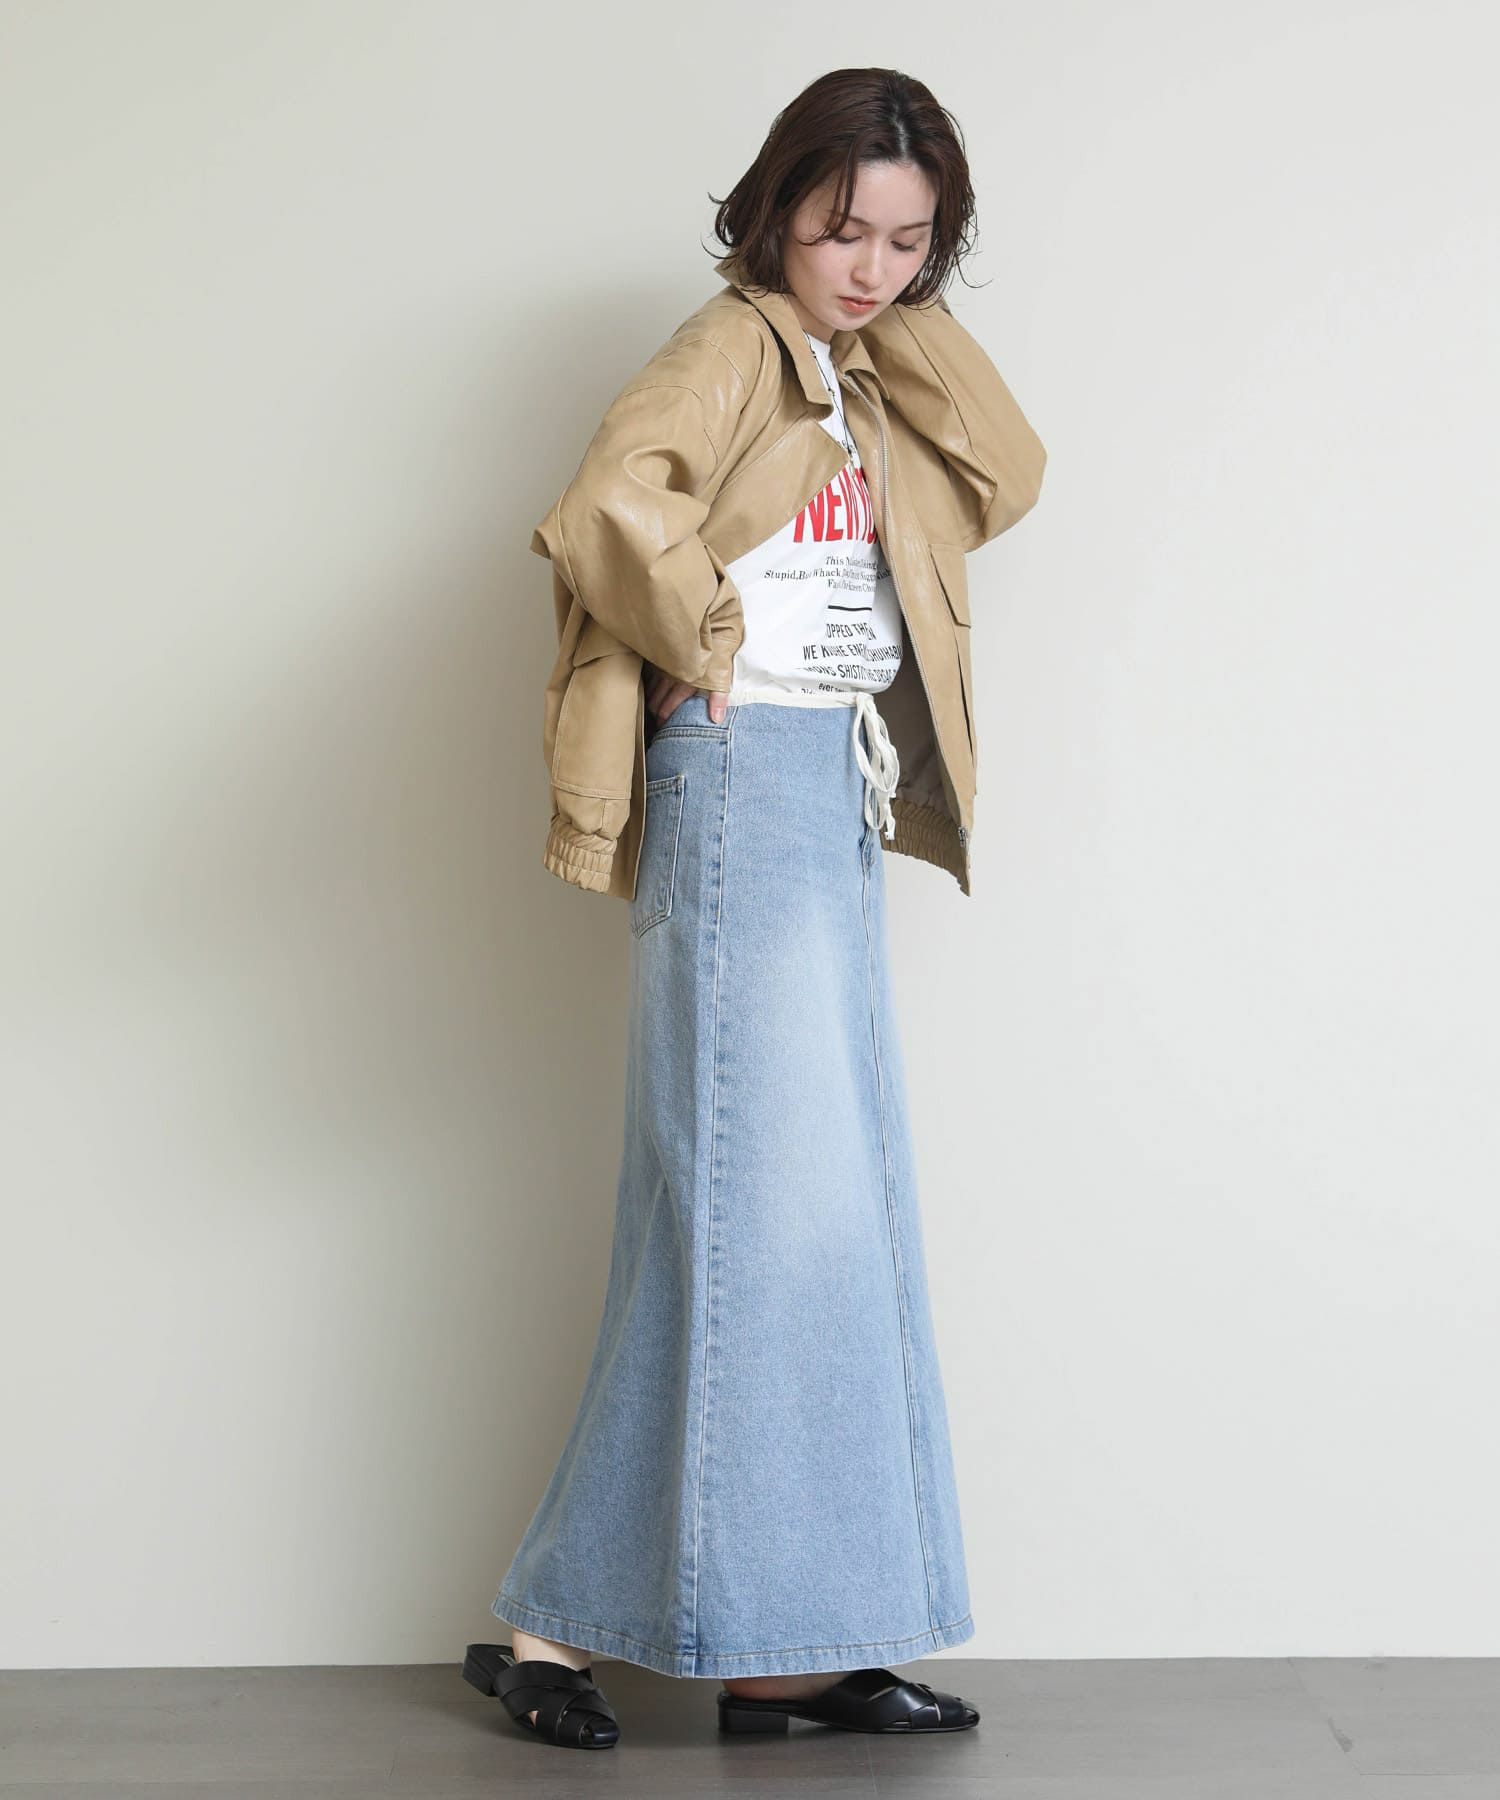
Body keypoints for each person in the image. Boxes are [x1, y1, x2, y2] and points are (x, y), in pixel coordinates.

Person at [463, 65, 1046, 1752]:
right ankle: (612, 1634)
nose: (869, 266)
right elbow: (610, 503)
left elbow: (1007, 469)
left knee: (789, 1214)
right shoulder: (730, 344)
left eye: (908, 241)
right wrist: (706, 645)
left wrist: (896, 319)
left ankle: (747, 1646)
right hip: (744, 774)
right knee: (762, 1212)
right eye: (842, 228)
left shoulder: (858, 367)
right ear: (778, 205)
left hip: (826, 783)